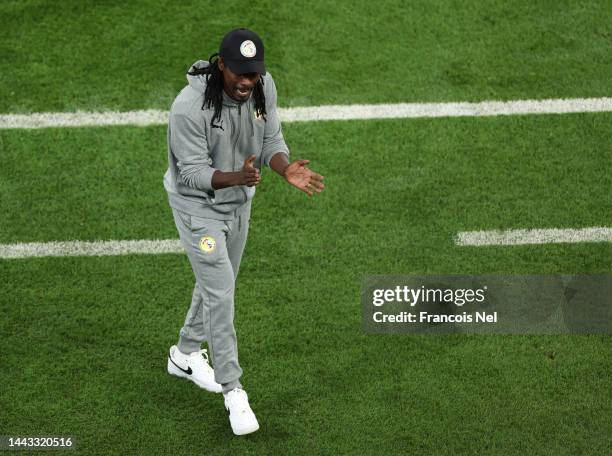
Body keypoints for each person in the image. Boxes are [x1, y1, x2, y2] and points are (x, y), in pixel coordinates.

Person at [163, 28, 325, 435]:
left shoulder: (263, 87)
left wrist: (283, 166)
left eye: (253, 75)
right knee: (220, 292)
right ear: (222, 66)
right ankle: (233, 391)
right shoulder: (188, 108)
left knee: (220, 280)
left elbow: (271, 138)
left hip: (239, 202)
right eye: (239, 74)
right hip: (198, 209)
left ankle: (184, 353)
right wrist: (240, 176)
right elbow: (193, 172)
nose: (246, 82)